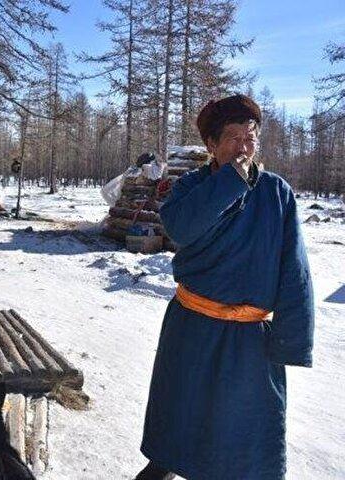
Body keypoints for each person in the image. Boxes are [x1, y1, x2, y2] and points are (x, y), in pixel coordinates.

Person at [136, 94, 314, 480]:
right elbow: (181, 228)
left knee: (247, 441)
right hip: (193, 328)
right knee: (179, 422)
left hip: (250, 340)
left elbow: (293, 268)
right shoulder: (188, 189)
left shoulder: (277, 193)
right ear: (211, 146)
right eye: (233, 137)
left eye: (251, 136)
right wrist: (231, 182)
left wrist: (291, 339)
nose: (244, 146)